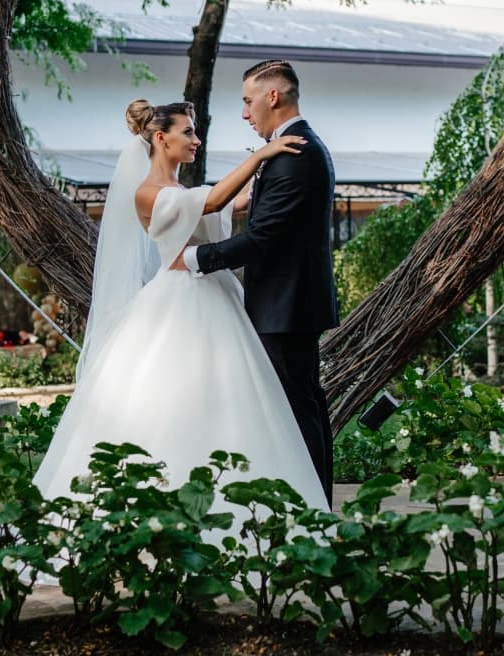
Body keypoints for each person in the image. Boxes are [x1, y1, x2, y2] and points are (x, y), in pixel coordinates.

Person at [31, 98, 329, 515]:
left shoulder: (181, 192)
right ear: (160, 137)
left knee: (232, 398)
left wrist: (269, 169)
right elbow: (213, 202)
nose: (196, 139)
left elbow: (231, 203)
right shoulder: (147, 194)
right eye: (187, 131)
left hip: (217, 296)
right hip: (178, 300)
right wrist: (260, 155)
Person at [175, 60, 339, 506]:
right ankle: (314, 505)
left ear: (273, 96)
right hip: (287, 302)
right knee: (301, 406)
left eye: (248, 101)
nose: (244, 113)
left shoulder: (296, 153)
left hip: (287, 306)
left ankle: (314, 510)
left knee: (297, 411)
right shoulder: (289, 148)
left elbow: (263, 238)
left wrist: (192, 258)